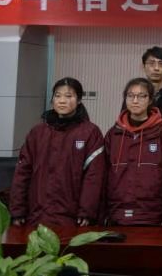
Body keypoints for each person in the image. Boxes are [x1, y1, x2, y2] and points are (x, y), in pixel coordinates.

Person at [10, 77, 105, 227]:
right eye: (57, 95)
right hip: (37, 216)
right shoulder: (37, 133)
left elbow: (93, 177)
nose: (62, 101)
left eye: (68, 96)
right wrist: (18, 210)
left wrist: (86, 211)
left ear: (79, 100)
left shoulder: (90, 133)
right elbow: (22, 173)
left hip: (73, 219)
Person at [103, 78, 162, 226]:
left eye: (141, 96)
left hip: (152, 214)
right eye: (130, 96)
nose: (135, 100)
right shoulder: (114, 134)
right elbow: (103, 175)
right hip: (117, 213)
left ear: (150, 100)